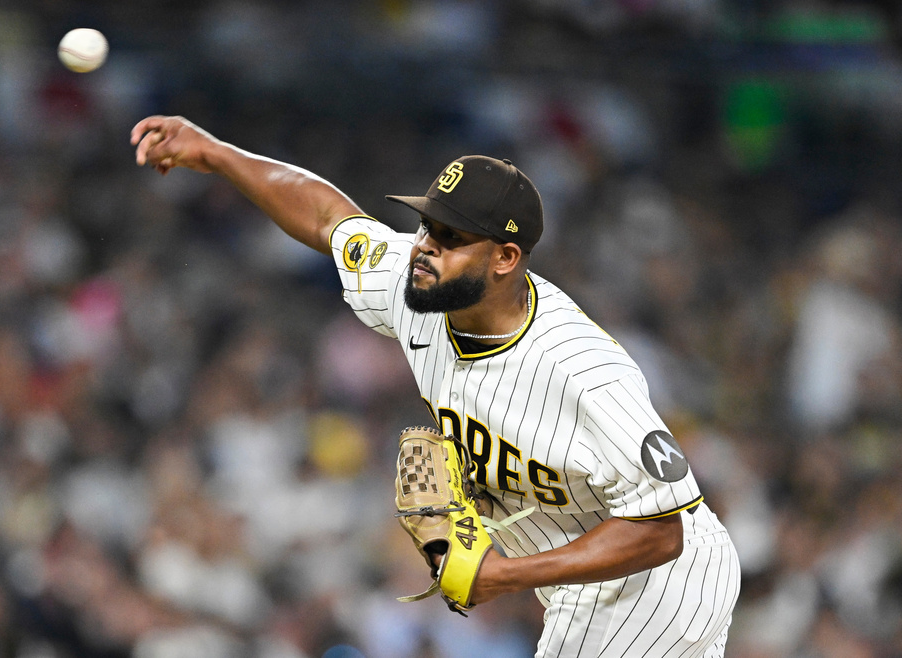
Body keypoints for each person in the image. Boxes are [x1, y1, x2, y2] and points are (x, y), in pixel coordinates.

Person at [131, 115, 741, 657]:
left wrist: (502, 575)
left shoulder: (582, 371)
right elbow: (328, 219)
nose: (425, 247)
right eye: (427, 226)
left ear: (505, 258)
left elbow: (664, 529)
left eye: (451, 238)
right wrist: (215, 153)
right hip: (586, 587)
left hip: (661, 586)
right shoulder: (414, 287)